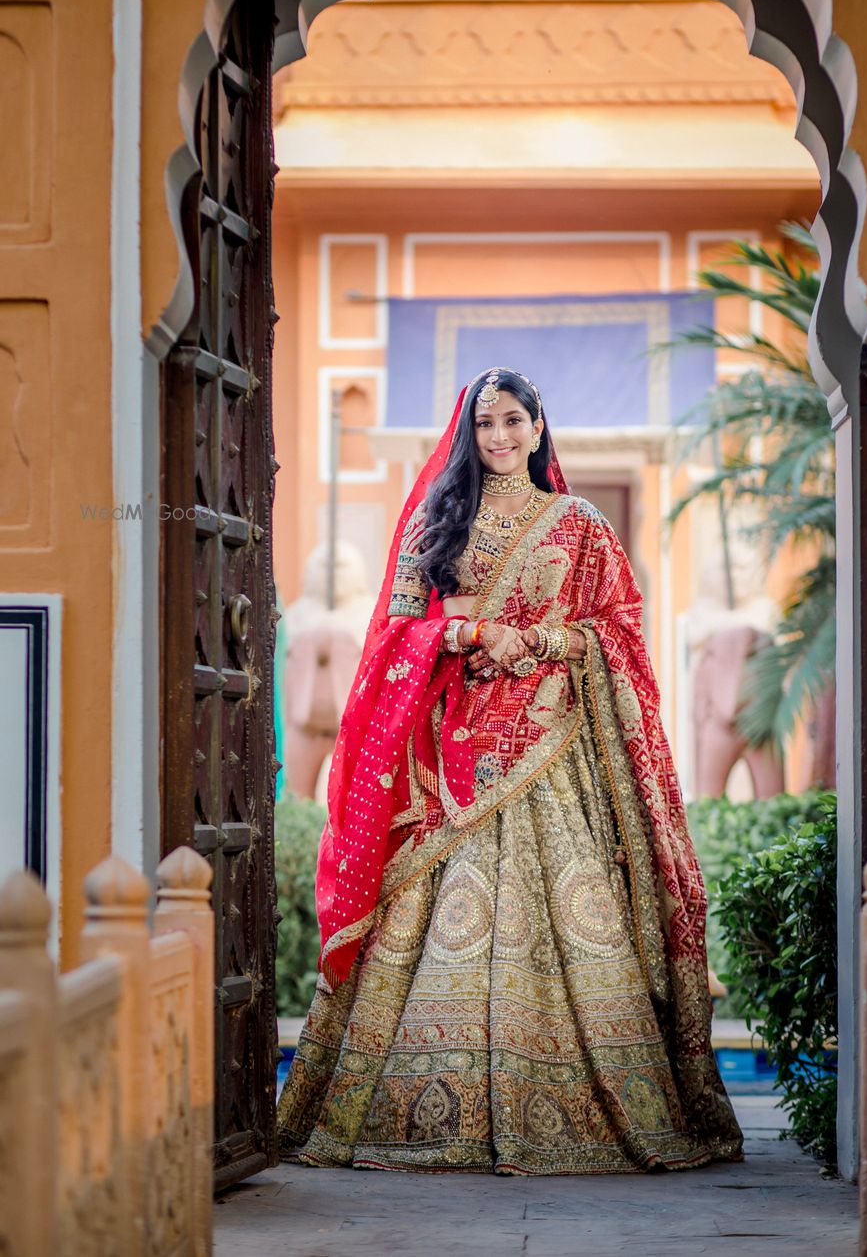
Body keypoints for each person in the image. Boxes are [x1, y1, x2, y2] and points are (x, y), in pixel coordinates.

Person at [276, 366, 743, 1175]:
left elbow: (621, 630)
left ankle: (586, 1111)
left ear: (537, 426)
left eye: (512, 422)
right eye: (485, 424)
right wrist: (465, 637)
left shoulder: (580, 524)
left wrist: (546, 642)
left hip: (551, 746)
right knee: (432, 907)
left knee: (570, 905)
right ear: (470, 433)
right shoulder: (436, 518)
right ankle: (415, 1117)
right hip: (451, 751)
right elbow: (395, 630)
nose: (498, 437)